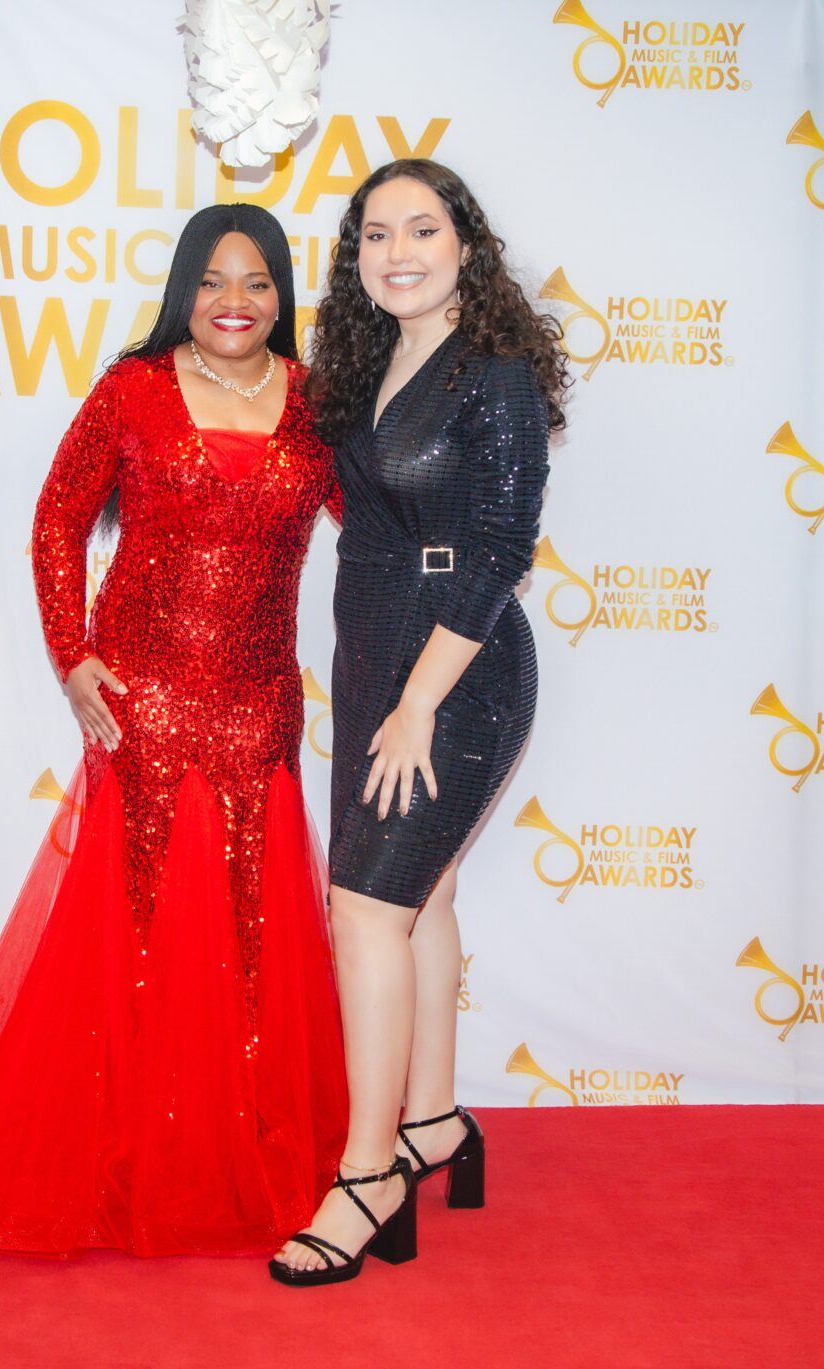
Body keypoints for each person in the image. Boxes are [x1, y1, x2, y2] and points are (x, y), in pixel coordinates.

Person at [0, 204, 347, 1257]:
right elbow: (58, 515)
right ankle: (120, 1148)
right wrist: (71, 652)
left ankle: (239, 1153)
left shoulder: (320, 408)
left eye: (259, 282)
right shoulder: (132, 391)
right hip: (140, 700)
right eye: (215, 280)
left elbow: (371, 535)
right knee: (133, 935)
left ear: (284, 295)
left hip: (257, 704)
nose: (236, 301)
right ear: (186, 287)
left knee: (247, 938)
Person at [270, 160, 571, 1285]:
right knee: (420, 896)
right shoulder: (371, 359)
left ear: (465, 246)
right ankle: (435, 1122)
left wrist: (415, 705)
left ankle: (367, 1172)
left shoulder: (491, 375)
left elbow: (499, 551)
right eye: (376, 235)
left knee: (361, 910)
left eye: (424, 230)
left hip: (459, 666)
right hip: (373, 652)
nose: (399, 252)